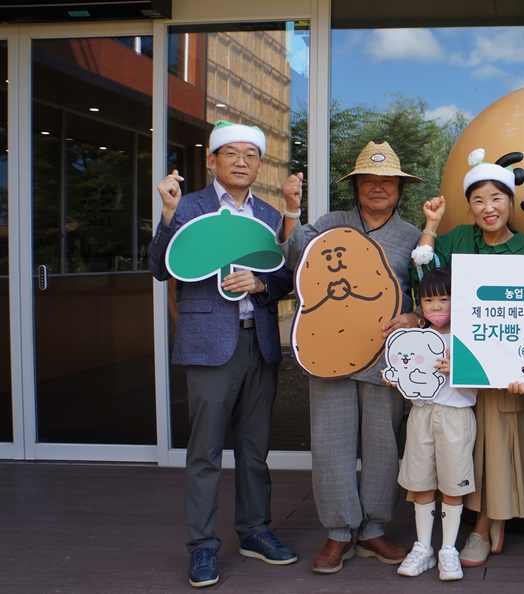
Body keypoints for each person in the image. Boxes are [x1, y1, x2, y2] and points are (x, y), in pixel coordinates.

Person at [148, 120, 298, 587]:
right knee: (206, 451)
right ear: (212, 159)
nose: (241, 162)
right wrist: (168, 215)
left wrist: (259, 283)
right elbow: (158, 268)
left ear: (259, 164)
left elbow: (287, 277)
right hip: (209, 344)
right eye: (230, 153)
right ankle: (202, 546)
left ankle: (255, 531)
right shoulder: (187, 206)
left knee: (255, 449)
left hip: (260, 341)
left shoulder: (272, 214)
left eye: (250, 155)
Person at [277, 141, 424, 573]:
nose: (378, 187)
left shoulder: (414, 237)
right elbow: (292, 260)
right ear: (356, 185)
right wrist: (290, 208)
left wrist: (415, 315)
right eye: (369, 180)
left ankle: (375, 529)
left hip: (385, 358)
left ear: (399, 188)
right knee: (330, 443)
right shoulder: (331, 225)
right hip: (329, 351)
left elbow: (428, 294)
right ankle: (339, 533)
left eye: (387, 181)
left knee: (383, 445)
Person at [410, 152, 524, 568]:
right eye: (479, 200)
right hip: (451, 367)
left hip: (501, 367)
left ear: (510, 201)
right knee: (457, 446)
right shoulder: (454, 240)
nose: (489, 208)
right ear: (469, 205)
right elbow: (424, 277)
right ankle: (445, 531)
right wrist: (432, 225)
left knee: (496, 447)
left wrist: (523, 369)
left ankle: (484, 526)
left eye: (497, 198)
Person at [382, 268, 478, 581]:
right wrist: (396, 377)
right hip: (421, 414)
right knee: (420, 481)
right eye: (428, 300)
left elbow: (487, 376)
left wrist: (461, 366)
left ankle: (448, 549)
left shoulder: (471, 336)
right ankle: (423, 547)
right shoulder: (415, 339)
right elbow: (405, 369)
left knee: (453, 484)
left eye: (444, 299)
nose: (436, 307)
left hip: (455, 416)